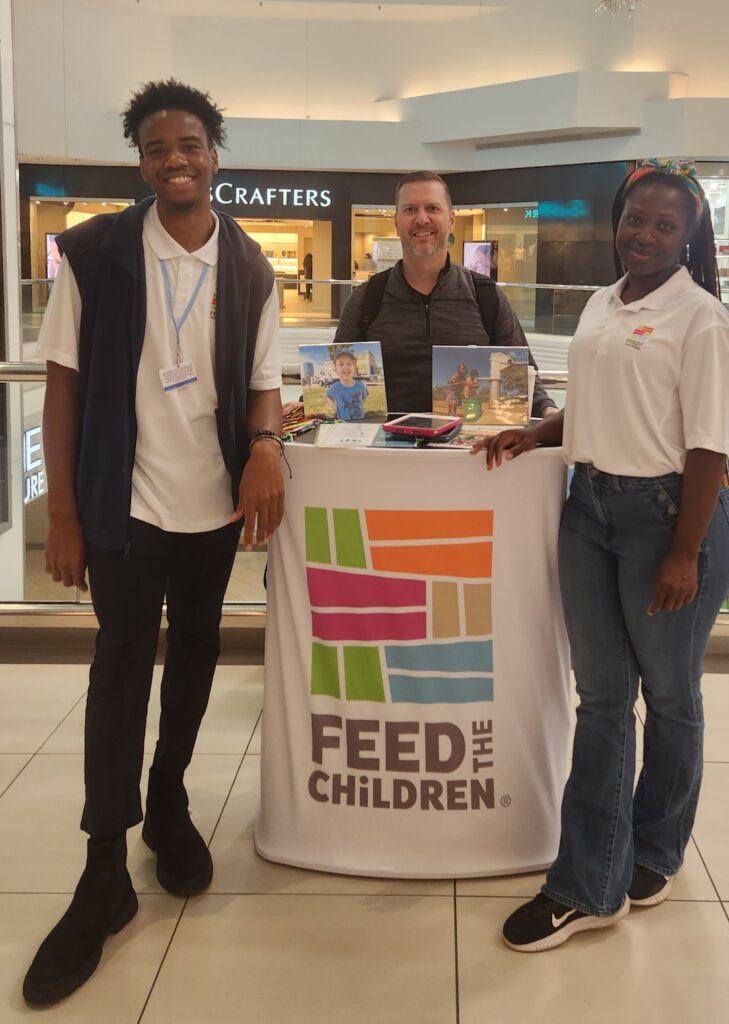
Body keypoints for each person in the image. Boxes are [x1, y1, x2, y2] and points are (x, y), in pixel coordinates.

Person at [23, 79, 286, 1006]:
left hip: (211, 511)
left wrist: (265, 447)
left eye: (190, 145)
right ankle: (104, 866)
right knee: (118, 669)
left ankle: (168, 799)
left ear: (217, 151)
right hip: (122, 510)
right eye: (155, 149)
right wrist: (63, 514)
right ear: (140, 161)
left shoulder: (250, 268)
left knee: (200, 658)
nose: (174, 160)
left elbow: (262, 384)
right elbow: (59, 386)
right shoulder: (93, 253)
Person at [474, 158, 729, 952]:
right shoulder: (600, 301)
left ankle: (645, 854)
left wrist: (684, 552)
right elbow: (594, 403)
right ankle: (595, 877)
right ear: (616, 222)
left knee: (668, 695)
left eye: (665, 225)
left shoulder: (701, 320)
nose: (646, 236)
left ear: (689, 235)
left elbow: (707, 449)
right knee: (599, 698)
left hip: (667, 518)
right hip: (587, 510)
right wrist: (536, 432)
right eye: (635, 220)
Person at [333, 170, 558, 418]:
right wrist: (303, 406)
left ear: (450, 220)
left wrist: (548, 410)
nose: (421, 219)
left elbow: (524, 374)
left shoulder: (486, 297)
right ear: (396, 222)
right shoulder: (366, 299)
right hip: (386, 452)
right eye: (410, 210)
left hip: (467, 453)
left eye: (432, 208)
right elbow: (336, 377)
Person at [325, 349, 368, 420]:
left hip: (360, 423)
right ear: (336, 368)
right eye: (341, 364)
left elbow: (364, 398)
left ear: (354, 367)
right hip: (343, 424)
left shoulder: (360, 385)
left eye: (349, 364)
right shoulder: (335, 387)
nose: (345, 367)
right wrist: (336, 408)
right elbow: (328, 396)